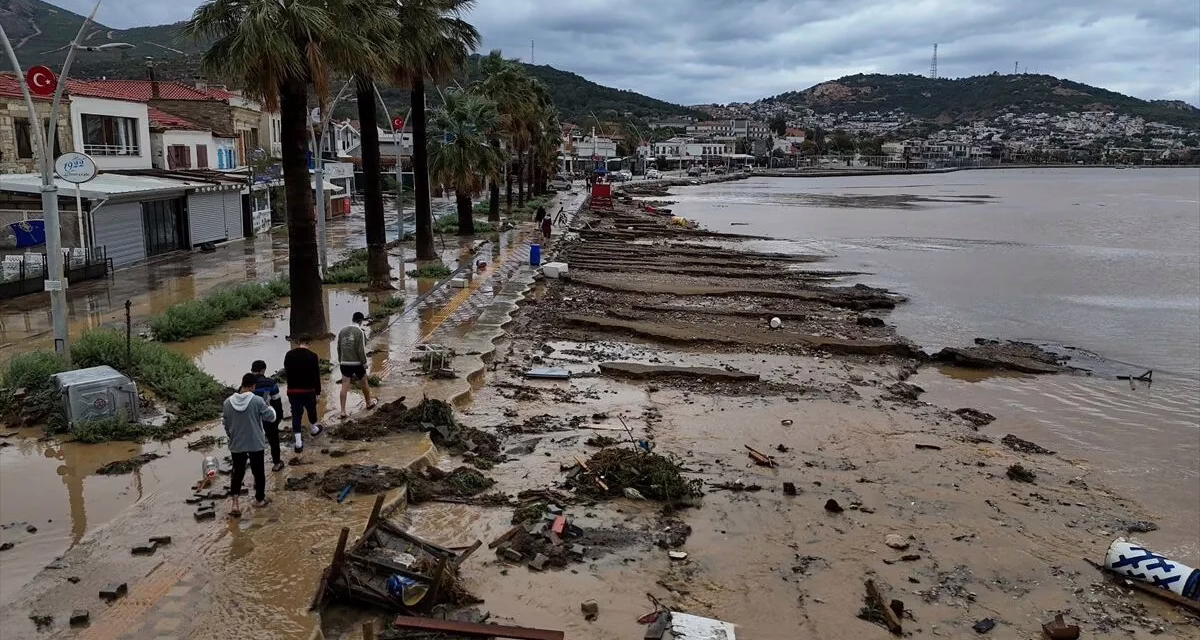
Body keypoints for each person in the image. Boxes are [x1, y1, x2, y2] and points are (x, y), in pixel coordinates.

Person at [224, 373, 277, 517]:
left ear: (242, 384)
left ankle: (235, 504)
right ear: (253, 386)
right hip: (255, 442)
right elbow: (271, 417)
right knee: (258, 471)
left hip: (237, 443)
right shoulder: (257, 401)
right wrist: (268, 405)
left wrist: (232, 436)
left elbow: (226, 425)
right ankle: (259, 499)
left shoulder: (227, 402)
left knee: (237, 472)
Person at [283, 339, 324, 453]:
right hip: (308, 390)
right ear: (309, 343)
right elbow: (316, 376)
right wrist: (318, 392)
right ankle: (314, 429)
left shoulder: (289, 354)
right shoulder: (313, 356)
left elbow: (286, 371)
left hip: (293, 390)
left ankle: (298, 443)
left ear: (298, 342)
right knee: (311, 409)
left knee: (296, 414)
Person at [337, 311, 376, 419]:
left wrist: (341, 360)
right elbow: (361, 350)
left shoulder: (342, 331)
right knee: (364, 382)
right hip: (357, 363)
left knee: (345, 385)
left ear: (353, 319)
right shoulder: (360, 332)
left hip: (344, 363)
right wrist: (364, 363)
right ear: (361, 321)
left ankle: (343, 411)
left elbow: (338, 347)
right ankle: (368, 403)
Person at [250, 360, 285, 471]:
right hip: (267, 417)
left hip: (252, 419)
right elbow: (276, 402)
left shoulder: (246, 383)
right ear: (263, 370)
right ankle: (277, 463)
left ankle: (256, 468)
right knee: (273, 440)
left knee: (254, 443)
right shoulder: (270, 383)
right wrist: (279, 417)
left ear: (252, 370)